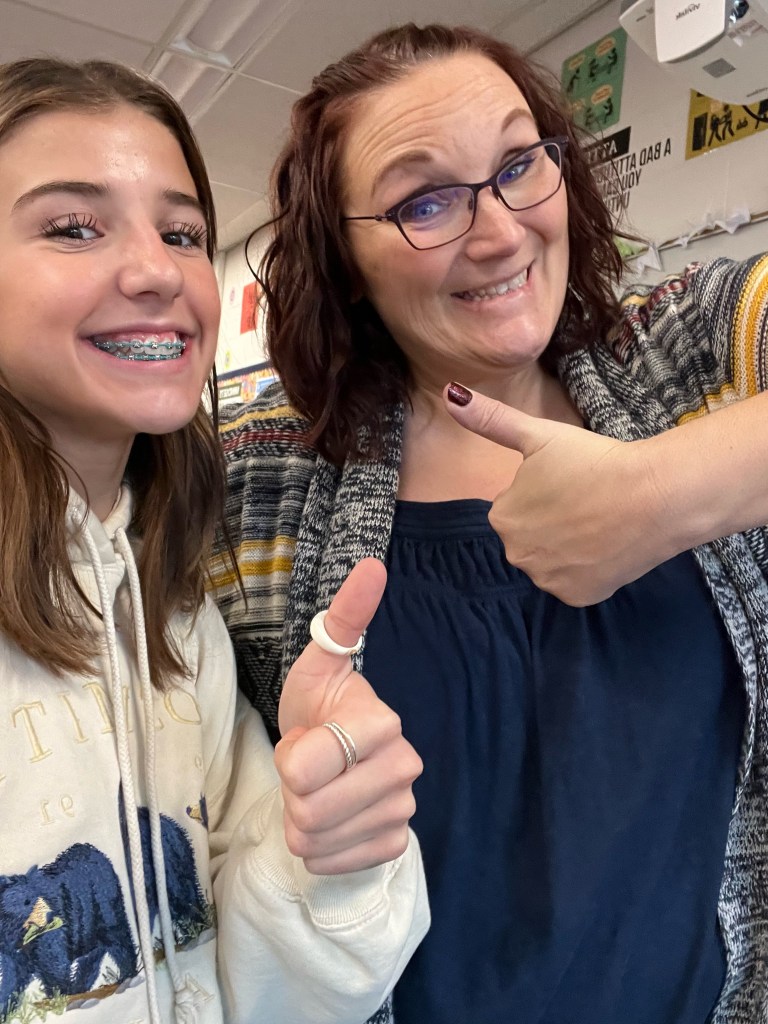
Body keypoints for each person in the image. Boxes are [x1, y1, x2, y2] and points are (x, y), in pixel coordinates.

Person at [211, 20, 768, 1024]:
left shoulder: (690, 355)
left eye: (519, 166)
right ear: (346, 260)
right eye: (425, 201)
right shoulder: (257, 480)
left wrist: (661, 491)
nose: (502, 232)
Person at [0, 56, 429, 1024]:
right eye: (73, 227)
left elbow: (266, 990)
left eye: (182, 233)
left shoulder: (177, 610)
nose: (157, 270)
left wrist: (331, 853)